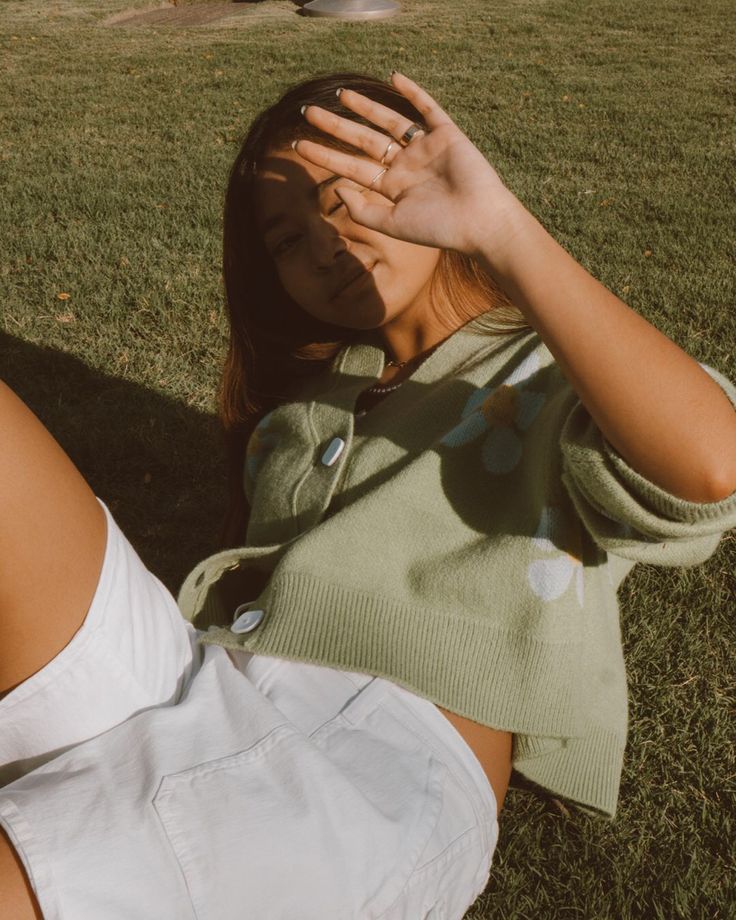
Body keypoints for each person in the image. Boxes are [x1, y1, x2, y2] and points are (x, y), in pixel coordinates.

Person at [1, 70, 735, 920]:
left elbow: (710, 468)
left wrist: (501, 230)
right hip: (194, 674)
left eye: (342, 199)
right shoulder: (304, 408)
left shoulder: (555, 372)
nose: (321, 248)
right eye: (285, 241)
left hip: (369, 762)